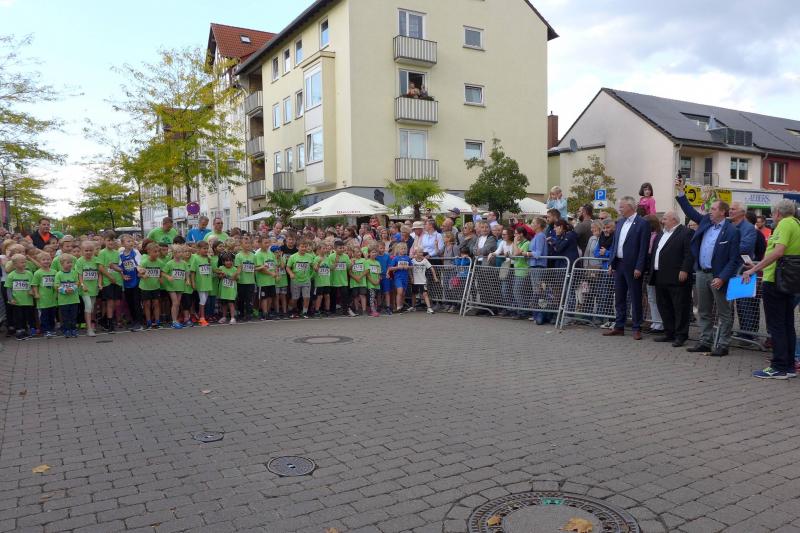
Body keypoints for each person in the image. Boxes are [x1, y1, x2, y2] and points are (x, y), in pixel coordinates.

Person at [675, 176, 741, 356]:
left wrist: (722, 278)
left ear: (723, 212)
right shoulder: (706, 222)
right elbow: (689, 210)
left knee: (724, 312)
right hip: (702, 273)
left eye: (713, 209)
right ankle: (705, 341)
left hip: (718, 276)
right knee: (703, 310)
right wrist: (681, 192)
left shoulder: (732, 231)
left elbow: (734, 259)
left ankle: (723, 344)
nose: (710, 211)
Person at [743, 199, 800, 379]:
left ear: (777, 213)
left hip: (775, 280)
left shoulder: (784, 224)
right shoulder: (796, 223)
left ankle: (778, 366)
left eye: (772, 214)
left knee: (776, 325)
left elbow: (778, 251)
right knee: (786, 324)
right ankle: (789, 366)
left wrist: (754, 269)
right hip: (787, 281)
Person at [603, 196, 650, 340]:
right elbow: (615, 244)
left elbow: (643, 247)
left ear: (630, 207)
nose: (620, 209)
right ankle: (619, 326)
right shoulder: (620, 222)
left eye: (622, 206)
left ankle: (637, 327)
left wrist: (639, 267)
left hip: (633, 266)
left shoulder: (642, 223)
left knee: (635, 297)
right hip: (619, 264)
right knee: (619, 297)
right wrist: (611, 263)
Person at [650, 211, 694, 347]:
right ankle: (669, 332)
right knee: (664, 305)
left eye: (665, 219)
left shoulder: (686, 232)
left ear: (674, 220)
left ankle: (681, 335)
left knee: (680, 307)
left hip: (677, 276)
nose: (662, 221)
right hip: (660, 275)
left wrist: (685, 269)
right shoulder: (661, 234)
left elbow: (689, 253)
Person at [728, 201, 759, 340]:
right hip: (729, 270)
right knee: (728, 304)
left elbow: (745, 247)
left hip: (742, 271)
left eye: (733, 209)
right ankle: (727, 331)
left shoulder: (749, 228)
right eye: (730, 209)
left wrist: (726, 247)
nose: (730, 211)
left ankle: (748, 335)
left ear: (742, 212)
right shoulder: (729, 225)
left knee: (744, 305)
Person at [5, 253, 35, 340]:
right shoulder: (11, 275)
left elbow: (33, 285)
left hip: (28, 300)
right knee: (18, 317)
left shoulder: (29, 273)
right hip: (17, 301)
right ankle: (19, 331)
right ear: (15, 264)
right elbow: (8, 288)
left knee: (27, 316)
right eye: (22, 262)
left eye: (25, 262)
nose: (24, 264)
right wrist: (10, 299)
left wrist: (32, 291)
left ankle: (25, 330)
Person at [76, 241, 103, 337]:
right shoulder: (80, 261)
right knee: (88, 306)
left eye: (90, 250)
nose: (88, 252)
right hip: (85, 289)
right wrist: (82, 284)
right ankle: (89, 329)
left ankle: (92, 324)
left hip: (94, 288)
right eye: (86, 250)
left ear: (94, 250)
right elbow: (79, 275)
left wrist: (99, 283)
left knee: (92, 307)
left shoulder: (96, 260)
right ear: (82, 251)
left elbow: (100, 273)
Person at [98, 232, 123, 332]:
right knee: (110, 302)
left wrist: (122, 275)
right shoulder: (102, 253)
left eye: (113, 240)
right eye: (108, 240)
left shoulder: (117, 253)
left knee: (117, 303)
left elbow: (118, 267)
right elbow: (101, 268)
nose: (111, 242)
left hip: (118, 281)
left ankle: (103, 320)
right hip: (107, 281)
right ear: (104, 241)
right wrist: (110, 277)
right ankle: (110, 323)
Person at [138, 242, 166, 329]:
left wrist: (161, 278)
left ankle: (157, 322)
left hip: (155, 286)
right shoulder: (145, 262)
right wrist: (143, 276)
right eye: (155, 251)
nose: (157, 253)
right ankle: (148, 322)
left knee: (156, 304)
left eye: (158, 251)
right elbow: (138, 274)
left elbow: (161, 272)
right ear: (149, 251)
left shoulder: (160, 262)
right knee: (147, 304)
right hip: (145, 287)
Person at [644, 214, 664, 333]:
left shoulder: (657, 237)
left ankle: (659, 324)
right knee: (652, 298)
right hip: (649, 272)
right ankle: (656, 322)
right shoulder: (650, 237)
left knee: (656, 298)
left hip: (655, 272)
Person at [286, 239, 315, 318]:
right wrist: (291, 273)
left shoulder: (310, 257)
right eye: (302, 247)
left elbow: (313, 266)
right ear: (298, 247)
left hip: (306, 280)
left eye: (305, 247)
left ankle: (304, 312)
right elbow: (288, 267)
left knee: (307, 297)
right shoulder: (293, 257)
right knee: (295, 298)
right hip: (295, 280)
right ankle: (290, 310)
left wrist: (315, 268)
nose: (304, 248)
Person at [120, 235, 144, 331]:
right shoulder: (121, 255)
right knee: (130, 303)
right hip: (127, 283)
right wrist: (123, 276)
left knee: (136, 302)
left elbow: (139, 264)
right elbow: (120, 267)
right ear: (122, 243)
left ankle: (139, 323)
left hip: (136, 282)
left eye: (132, 241)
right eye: (128, 241)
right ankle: (134, 321)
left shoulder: (135, 252)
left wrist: (140, 271)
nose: (131, 243)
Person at [32, 252, 57, 338]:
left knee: (52, 314)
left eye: (48, 259)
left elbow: (57, 283)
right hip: (43, 298)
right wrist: (36, 293)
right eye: (43, 260)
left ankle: (52, 329)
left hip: (52, 298)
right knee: (44, 315)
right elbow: (35, 285)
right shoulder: (38, 273)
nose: (46, 261)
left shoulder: (54, 272)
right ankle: (46, 330)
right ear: (39, 261)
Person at [163, 245, 189, 329]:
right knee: (175, 303)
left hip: (180, 286)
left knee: (178, 303)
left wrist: (187, 280)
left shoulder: (184, 263)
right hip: (171, 286)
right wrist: (168, 277)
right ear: (174, 253)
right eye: (178, 252)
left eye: (181, 252)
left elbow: (187, 272)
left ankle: (176, 320)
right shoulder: (170, 263)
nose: (180, 253)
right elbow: (163, 272)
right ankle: (174, 321)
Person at [55, 253, 80, 338]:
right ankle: (66, 330)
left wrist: (73, 288)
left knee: (73, 316)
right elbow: (56, 286)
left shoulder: (74, 273)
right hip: (63, 301)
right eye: (68, 262)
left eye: (71, 262)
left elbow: (77, 283)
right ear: (62, 264)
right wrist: (65, 290)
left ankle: (73, 329)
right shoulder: (59, 274)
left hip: (74, 299)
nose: (70, 264)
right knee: (65, 316)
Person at [190, 241, 213, 326]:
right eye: (204, 248)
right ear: (199, 249)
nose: (206, 250)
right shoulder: (196, 258)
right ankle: (202, 318)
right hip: (200, 283)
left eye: (207, 248)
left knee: (204, 300)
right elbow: (192, 271)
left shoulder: (208, 258)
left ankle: (200, 316)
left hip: (207, 282)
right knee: (202, 300)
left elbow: (210, 269)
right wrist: (193, 282)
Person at [234, 236, 257, 322]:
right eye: (246, 243)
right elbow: (237, 268)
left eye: (249, 243)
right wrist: (236, 277)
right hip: (241, 281)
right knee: (241, 298)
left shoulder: (253, 255)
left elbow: (254, 268)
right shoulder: (238, 256)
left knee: (249, 298)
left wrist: (254, 279)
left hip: (250, 281)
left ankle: (249, 313)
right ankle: (241, 313)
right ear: (241, 245)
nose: (248, 245)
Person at [410, 247, 437, 314]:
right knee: (414, 294)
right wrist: (411, 277)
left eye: (421, 252)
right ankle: (413, 307)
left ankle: (429, 308)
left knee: (425, 294)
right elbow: (409, 269)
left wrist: (435, 277)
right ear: (416, 253)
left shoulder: (425, 260)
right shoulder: (412, 261)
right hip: (415, 281)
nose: (421, 253)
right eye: (419, 252)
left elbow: (431, 268)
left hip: (423, 280)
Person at [388, 242, 411, 313]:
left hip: (405, 277)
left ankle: (401, 306)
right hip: (398, 277)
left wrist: (408, 267)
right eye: (402, 249)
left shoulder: (407, 258)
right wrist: (398, 267)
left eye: (404, 249)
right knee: (400, 291)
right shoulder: (396, 258)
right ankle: (398, 307)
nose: (403, 250)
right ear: (398, 250)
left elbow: (412, 266)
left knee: (403, 293)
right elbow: (390, 268)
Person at [216, 252, 238, 324]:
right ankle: (224, 317)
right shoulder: (221, 268)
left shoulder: (235, 269)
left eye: (230, 260)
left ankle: (232, 318)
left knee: (231, 304)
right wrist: (221, 275)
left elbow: (237, 278)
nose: (228, 262)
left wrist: (231, 276)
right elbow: (218, 277)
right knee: (224, 304)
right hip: (223, 290)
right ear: (223, 262)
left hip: (231, 290)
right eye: (226, 261)